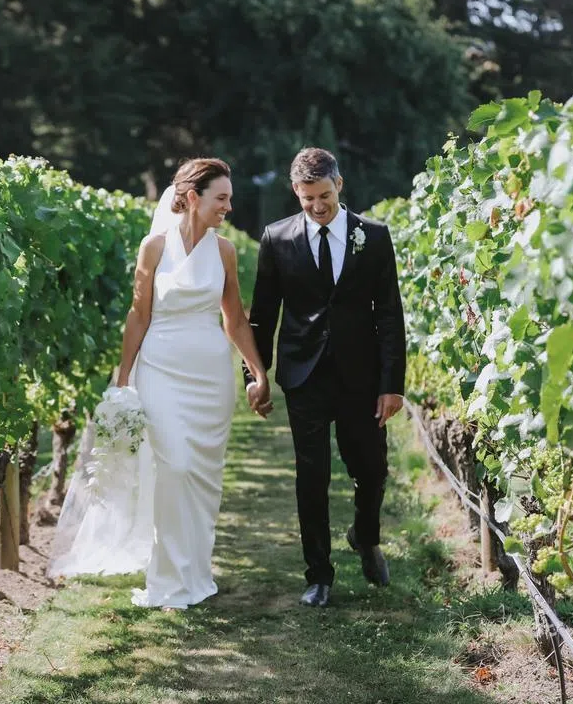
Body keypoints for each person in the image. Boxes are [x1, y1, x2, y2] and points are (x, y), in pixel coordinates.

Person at [48, 158, 270, 611]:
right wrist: (124, 376)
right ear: (193, 197)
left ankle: (195, 573)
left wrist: (258, 372)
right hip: (161, 371)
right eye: (221, 198)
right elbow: (138, 315)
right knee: (175, 468)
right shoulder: (153, 248)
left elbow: (235, 319)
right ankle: (167, 580)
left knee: (202, 480)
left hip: (210, 377)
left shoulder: (224, 251)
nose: (228, 206)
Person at [244, 147, 406, 608]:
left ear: (340, 185)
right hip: (304, 374)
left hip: (362, 375)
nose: (317, 206)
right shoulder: (276, 239)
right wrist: (255, 374)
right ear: (296, 191)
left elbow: (390, 314)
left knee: (371, 470)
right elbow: (262, 316)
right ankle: (318, 574)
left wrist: (392, 383)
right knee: (310, 476)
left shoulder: (373, 236)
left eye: (325, 196)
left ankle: (366, 536)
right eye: (308, 197)